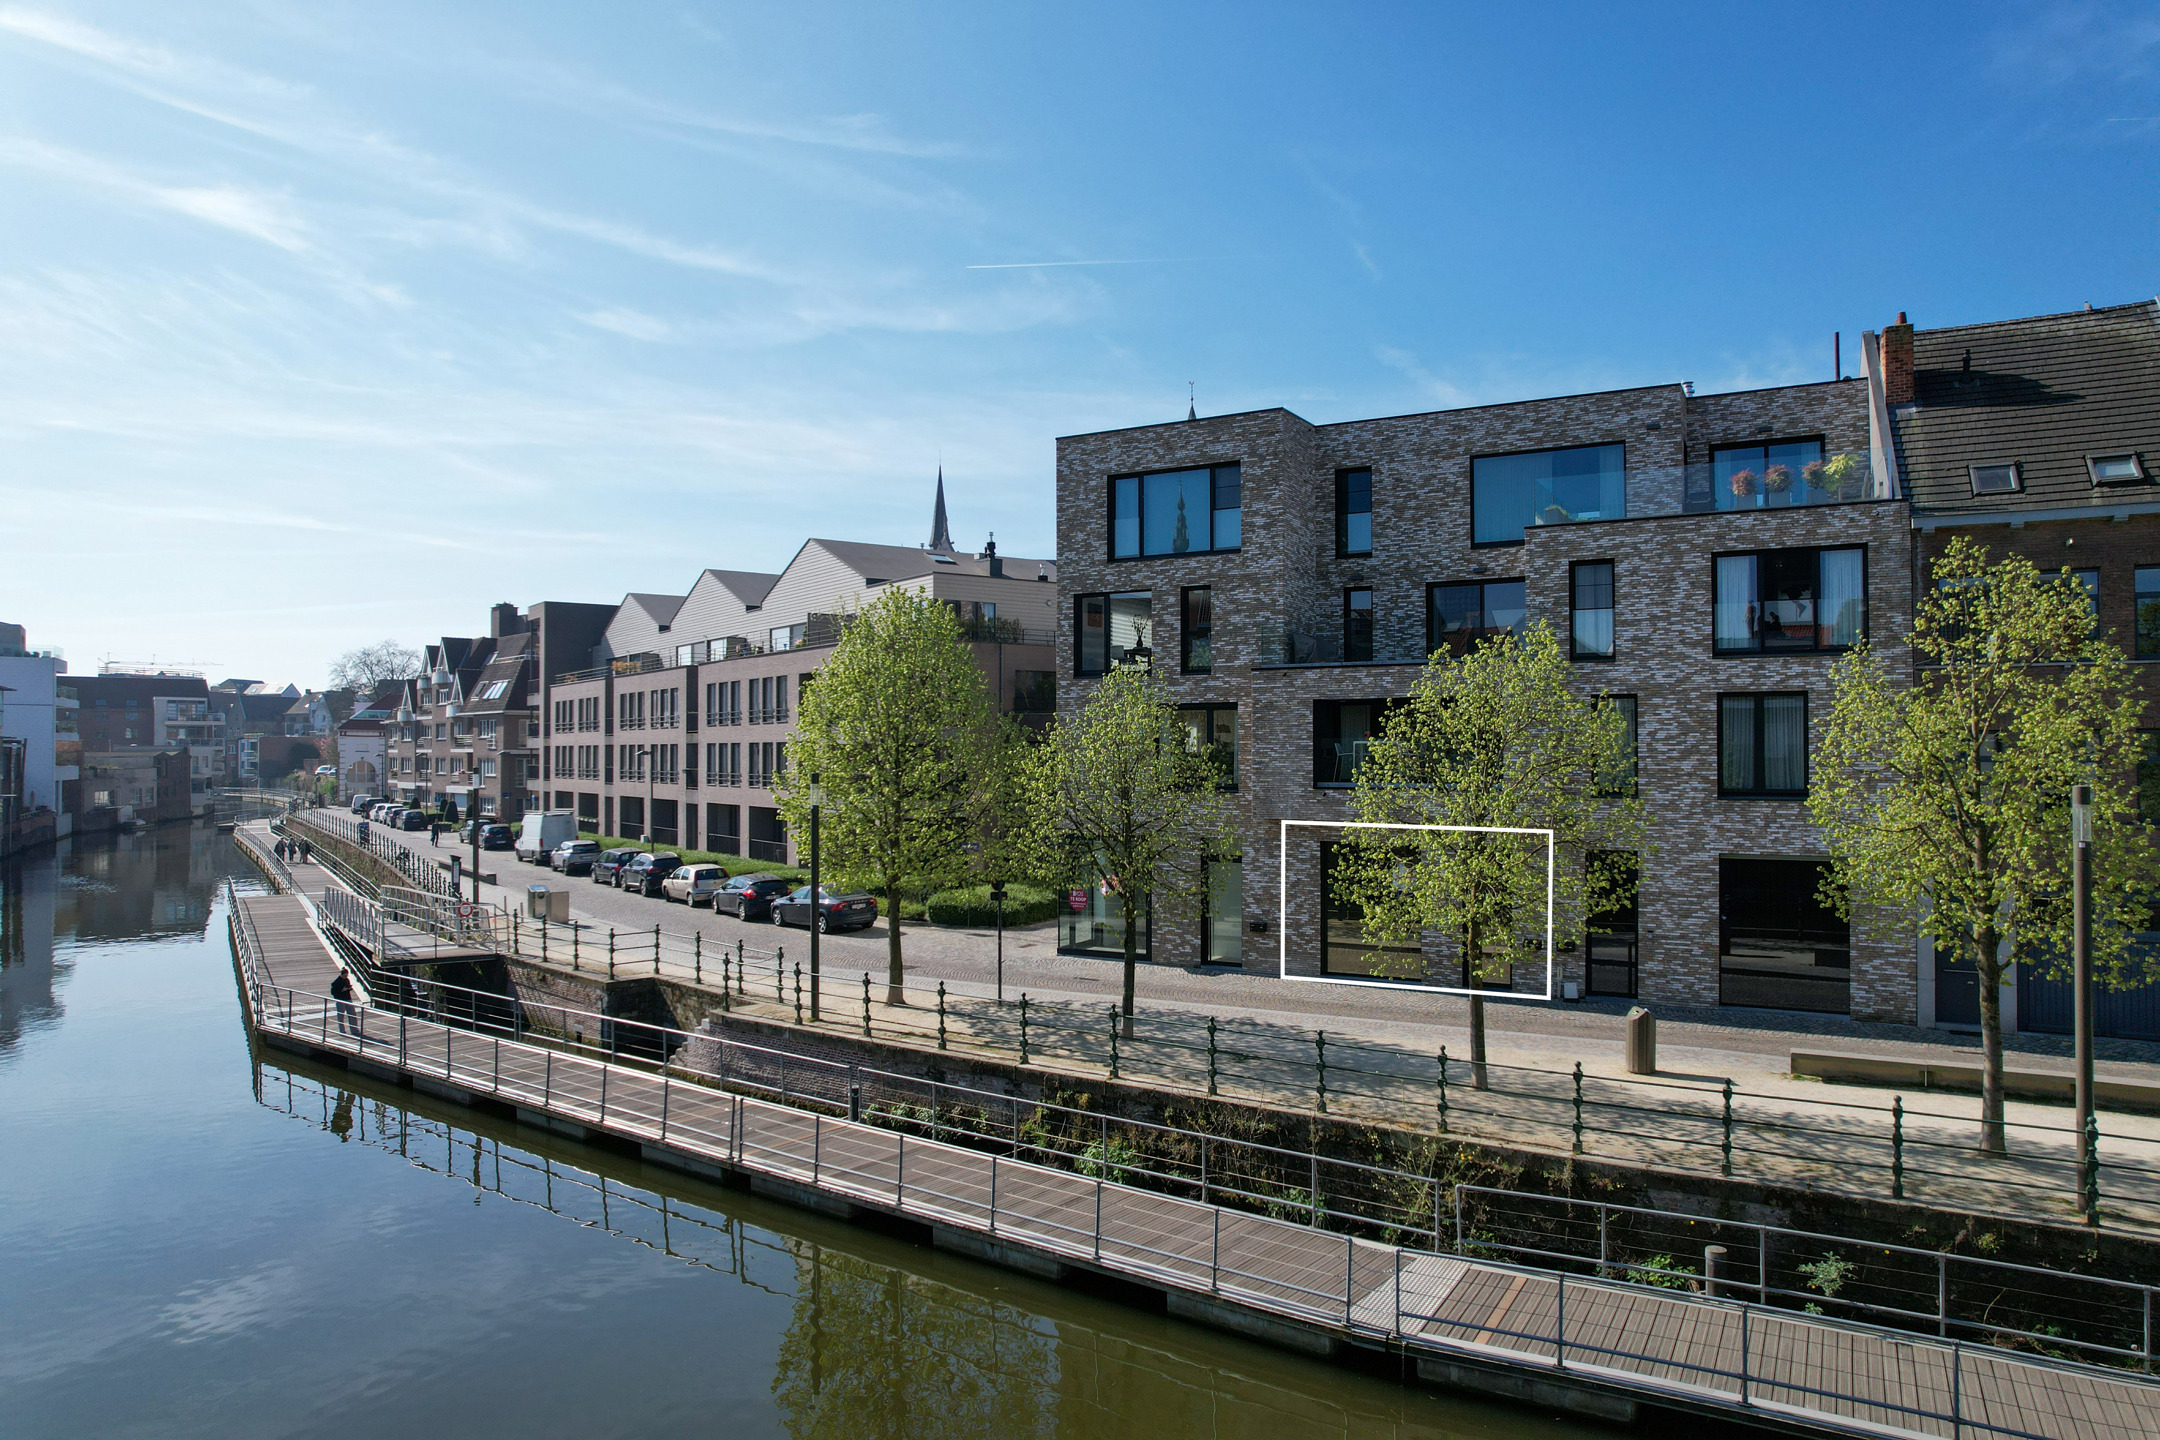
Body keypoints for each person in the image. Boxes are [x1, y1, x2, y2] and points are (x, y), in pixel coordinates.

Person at [330, 969, 357, 1036]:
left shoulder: (347, 980)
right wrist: (342, 990)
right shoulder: (336, 982)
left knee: (352, 1014)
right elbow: (333, 993)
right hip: (340, 1000)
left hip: (348, 998)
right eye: (345, 975)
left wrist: (349, 988)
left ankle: (354, 1030)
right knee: (341, 1016)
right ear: (342, 974)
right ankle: (342, 1031)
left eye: (347, 975)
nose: (346, 977)